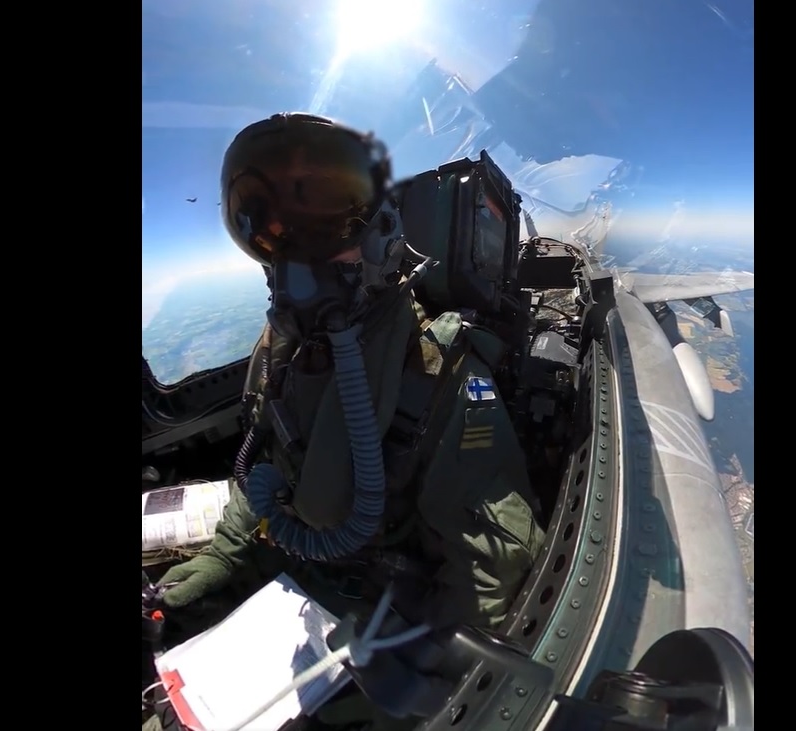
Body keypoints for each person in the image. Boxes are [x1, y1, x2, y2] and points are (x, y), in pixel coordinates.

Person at [144, 113, 545, 731]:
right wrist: (225, 556)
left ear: (384, 228)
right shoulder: (280, 348)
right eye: (274, 229)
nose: (300, 251)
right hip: (292, 581)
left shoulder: (440, 372)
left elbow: (492, 564)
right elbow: (268, 469)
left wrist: (426, 670)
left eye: (327, 217)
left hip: (377, 621)